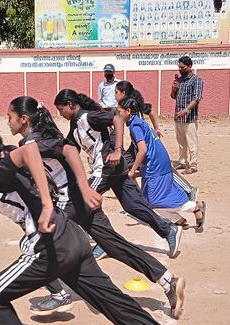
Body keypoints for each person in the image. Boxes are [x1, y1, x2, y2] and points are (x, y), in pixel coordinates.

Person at [0, 126, 196, 325]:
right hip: (72, 238)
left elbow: (29, 150)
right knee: (115, 303)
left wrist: (46, 204)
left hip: (51, 247)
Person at [6, 96, 186, 318]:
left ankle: (59, 294)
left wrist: (84, 186)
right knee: (114, 244)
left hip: (70, 202)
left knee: (32, 242)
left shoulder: (33, 143)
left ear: (24, 119)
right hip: (79, 200)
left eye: (10, 117)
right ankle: (168, 281)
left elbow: (69, 152)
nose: (8, 122)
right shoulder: (44, 137)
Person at [53, 89, 184, 258]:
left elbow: (118, 119)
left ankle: (104, 242)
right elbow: (70, 149)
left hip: (107, 168)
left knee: (81, 199)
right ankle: (168, 229)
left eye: (60, 109)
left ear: (70, 104)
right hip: (114, 169)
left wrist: (117, 150)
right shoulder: (75, 124)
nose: (60, 113)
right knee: (133, 206)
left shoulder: (89, 117)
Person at [114, 81, 206, 228]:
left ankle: (195, 206)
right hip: (157, 161)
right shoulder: (137, 121)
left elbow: (143, 150)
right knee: (149, 200)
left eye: (119, 112)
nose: (117, 115)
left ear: (128, 111)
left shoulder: (135, 126)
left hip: (155, 164)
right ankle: (178, 220)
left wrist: (132, 171)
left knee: (156, 200)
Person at [170, 56, 203, 175]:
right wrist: (173, 88)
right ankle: (183, 161)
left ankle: (193, 165)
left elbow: (196, 98)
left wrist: (186, 110)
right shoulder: (180, 80)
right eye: (179, 67)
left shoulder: (196, 80)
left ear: (189, 66)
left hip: (189, 118)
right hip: (178, 117)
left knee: (191, 142)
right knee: (181, 142)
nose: (180, 70)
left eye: (182, 67)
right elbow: (173, 96)